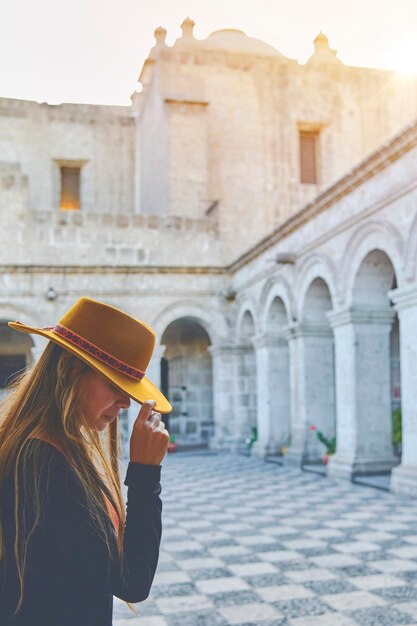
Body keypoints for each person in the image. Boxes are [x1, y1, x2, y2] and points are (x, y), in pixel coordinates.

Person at [0, 297, 171, 625]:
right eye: (113, 384)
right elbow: (132, 581)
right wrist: (146, 473)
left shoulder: (45, 448)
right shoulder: (42, 466)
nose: (124, 402)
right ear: (68, 371)